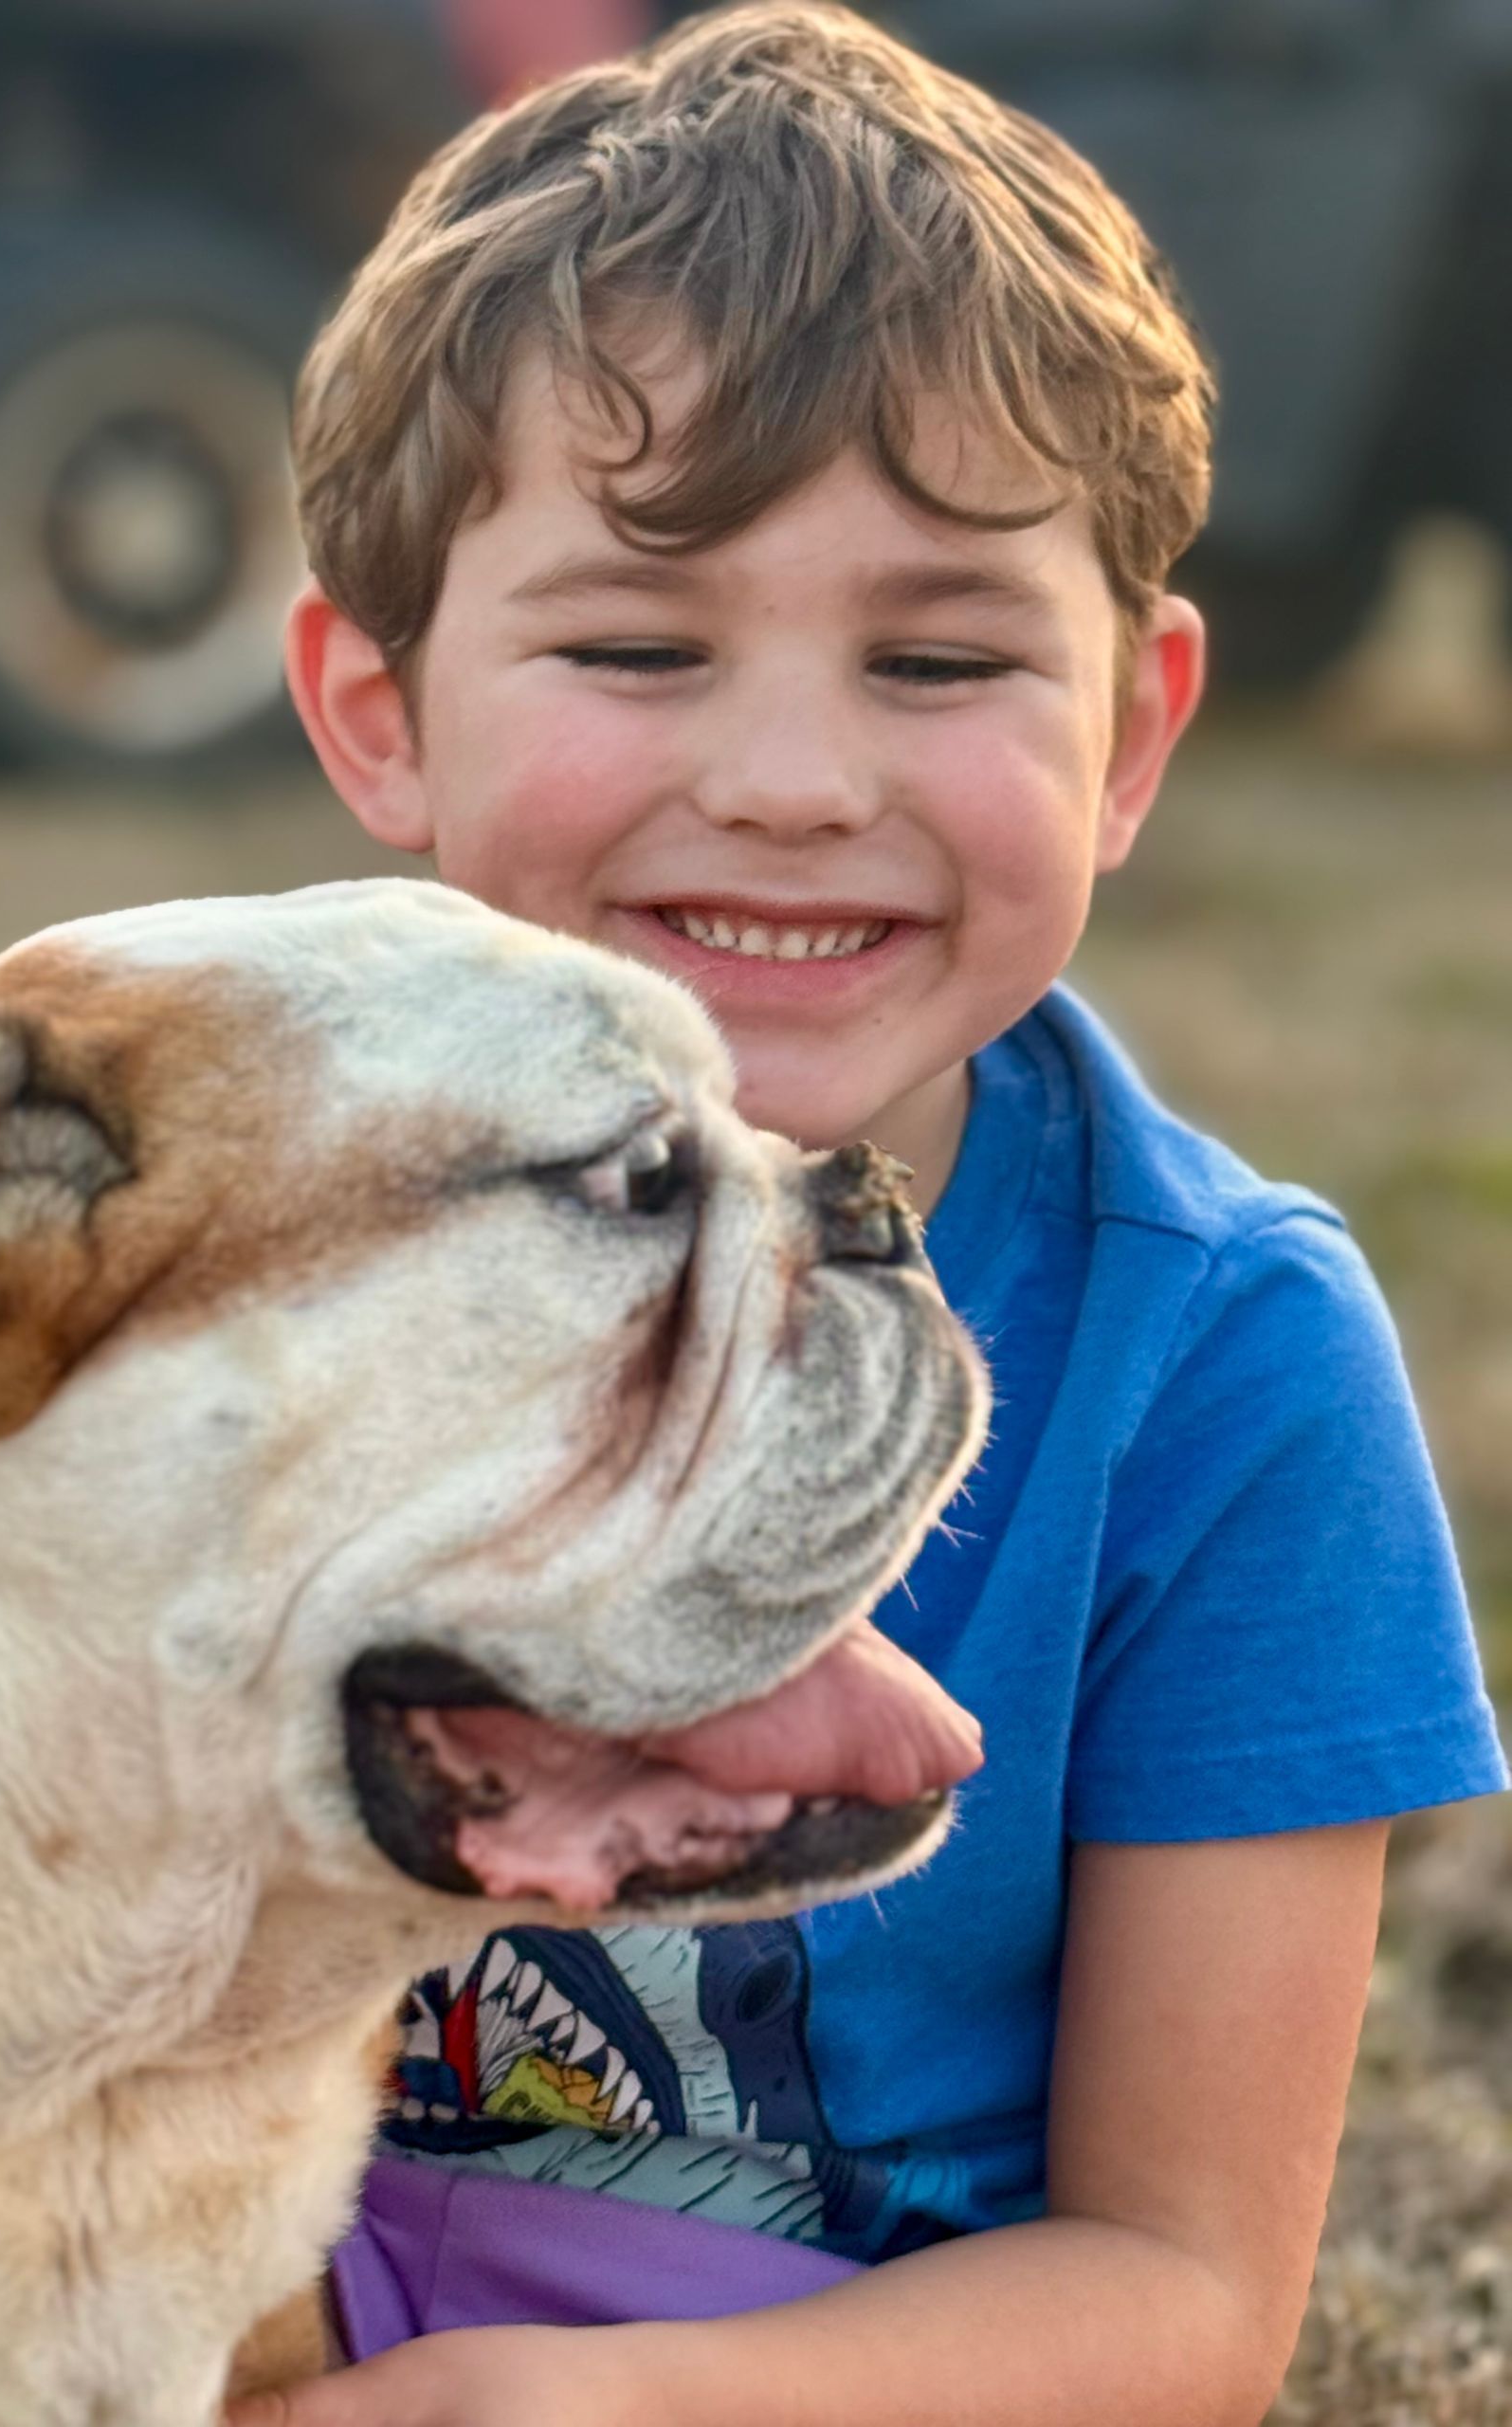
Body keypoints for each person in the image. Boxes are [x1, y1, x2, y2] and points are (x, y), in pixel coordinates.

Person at [240, 8, 1509, 2419]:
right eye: (637, 643)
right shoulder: (229, 1235)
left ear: (1130, 731)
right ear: (378, 706)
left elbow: (1182, 2295)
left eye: (937, 658)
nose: (801, 782)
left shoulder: (1224, 1366)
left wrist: (578, 2407)